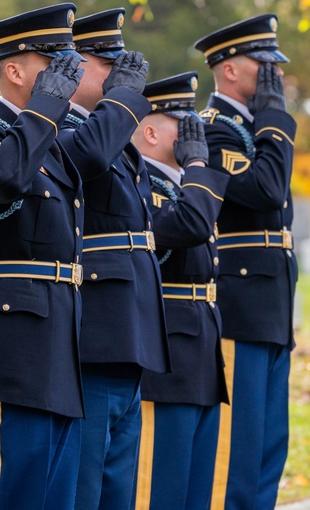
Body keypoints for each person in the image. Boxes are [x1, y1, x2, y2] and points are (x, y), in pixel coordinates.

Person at [0, 4, 87, 509]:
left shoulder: (52, 140)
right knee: (17, 481)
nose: (69, 74)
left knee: (54, 489)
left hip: (59, 326)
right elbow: (0, 182)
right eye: (53, 63)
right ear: (14, 72)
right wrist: (45, 110)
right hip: (15, 334)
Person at [65, 8, 172, 510]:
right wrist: (126, 101)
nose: (120, 75)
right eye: (106, 63)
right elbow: (85, 158)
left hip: (129, 330)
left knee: (117, 488)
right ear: (73, 65)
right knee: (86, 485)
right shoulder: (61, 127)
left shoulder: (111, 134)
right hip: (96, 333)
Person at [193, 13, 298, 509]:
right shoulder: (214, 131)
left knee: (267, 447)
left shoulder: (252, 130)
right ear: (230, 69)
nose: (273, 76)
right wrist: (276, 119)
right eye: (264, 65)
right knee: (238, 450)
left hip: (270, 305)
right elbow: (264, 190)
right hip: (239, 307)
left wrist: (270, 122)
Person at [131, 72, 230, 510]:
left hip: (200, 350)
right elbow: (189, 226)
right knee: (159, 487)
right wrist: (195, 166)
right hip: (167, 359)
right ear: (150, 132)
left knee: (197, 489)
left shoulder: (180, 186)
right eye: (182, 123)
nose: (196, 136)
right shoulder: (143, 187)